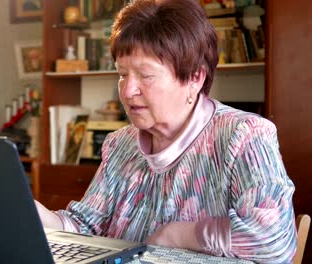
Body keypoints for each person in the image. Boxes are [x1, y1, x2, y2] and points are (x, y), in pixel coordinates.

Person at [35, 0, 297, 262]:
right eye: (122, 74)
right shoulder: (120, 145)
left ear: (195, 77)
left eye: (145, 75)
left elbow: (273, 240)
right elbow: (86, 228)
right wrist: (32, 213)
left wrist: (176, 235)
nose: (127, 91)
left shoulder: (243, 136)